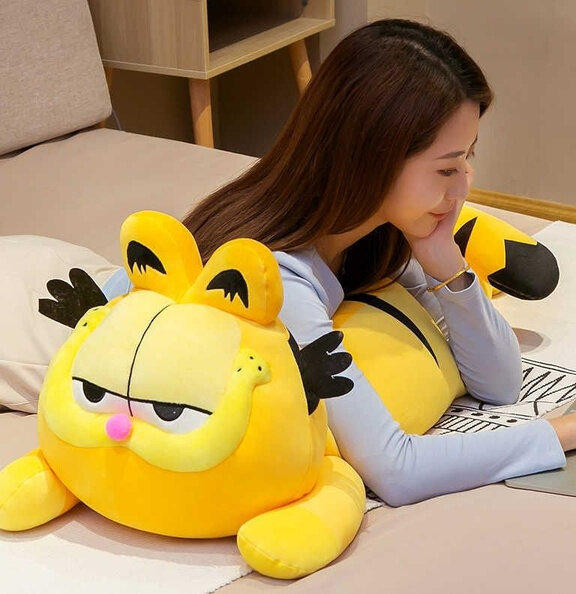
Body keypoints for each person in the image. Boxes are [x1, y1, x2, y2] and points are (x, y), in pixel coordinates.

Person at [102, 18, 576, 507]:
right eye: (446, 168)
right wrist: (562, 432)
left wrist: (449, 269)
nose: (464, 186)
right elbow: (397, 470)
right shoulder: (280, 281)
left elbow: (500, 383)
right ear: (373, 159)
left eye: (467, 159)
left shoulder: (373, 234)